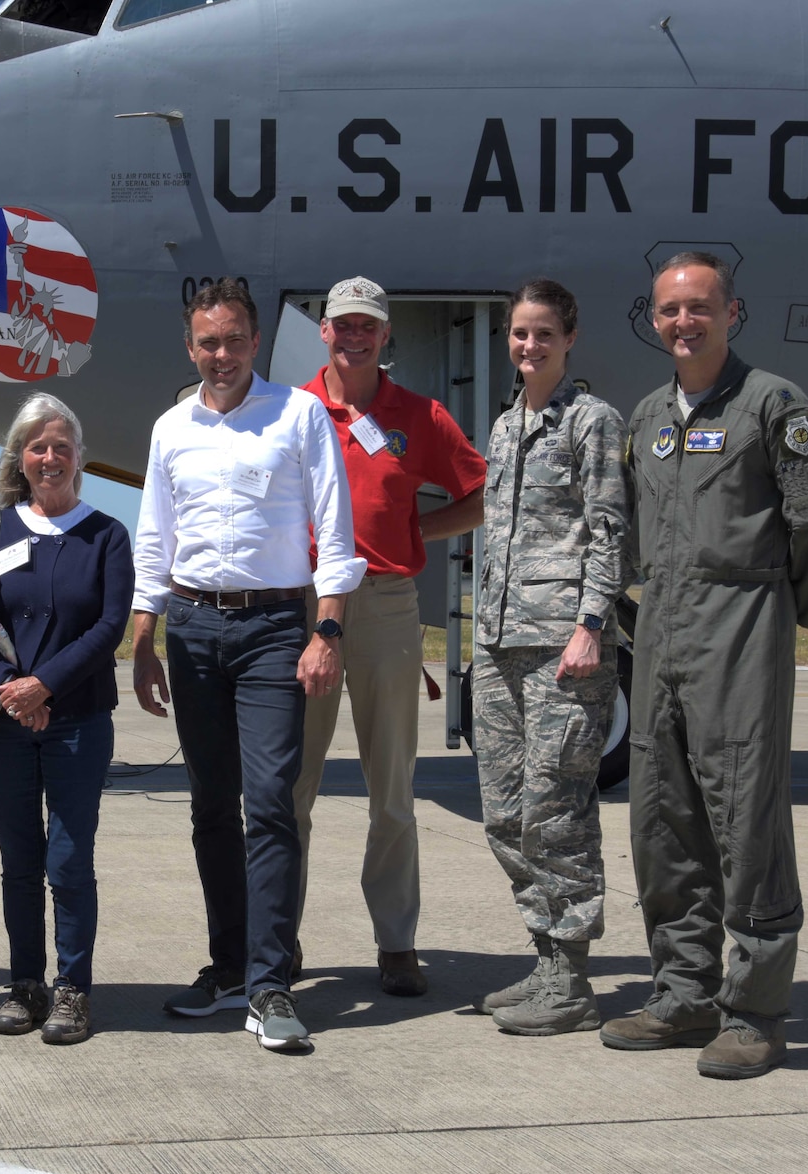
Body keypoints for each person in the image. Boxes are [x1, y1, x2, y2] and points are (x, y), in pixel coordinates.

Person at [604, 251, 808, 1078]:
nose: (684, 322)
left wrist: (774, 604)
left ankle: (754, 1010)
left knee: (747, 818)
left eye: (699, 307)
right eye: (670, 310)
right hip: (663, 635)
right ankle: (683, 992)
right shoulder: (647, 416)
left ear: (731, 313)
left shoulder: (770, 406)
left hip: (741, 628)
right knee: (662, 815)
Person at [131, 280, 365, 1053]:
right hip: (193, 629)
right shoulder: (170, 428)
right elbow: (155, 540)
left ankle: (270, 984)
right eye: (208, 343)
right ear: (190, 346)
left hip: (273, 628)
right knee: (209, 805)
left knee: (268, 802)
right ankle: (228, 965)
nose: (221, 355)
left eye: (233, 340)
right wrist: (143, 636)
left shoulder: (298, 417)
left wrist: (325, 630)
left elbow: (335, 532)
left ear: (255, 342)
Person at [291, 276, 488, 999]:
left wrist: (418, 531)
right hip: (304, 606)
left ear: (384, 334)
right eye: (342, 323)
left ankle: (397, 941)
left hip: (386, 604)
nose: (354, 335)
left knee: (393, 789)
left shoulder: (419, 416)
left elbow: (479, 492)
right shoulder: (293, 410)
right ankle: (280, 935)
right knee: (292, 787)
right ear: (324, 331)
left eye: (367, 325)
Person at [470, 279, 628, 1036]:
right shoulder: (505, 427)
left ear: (569, 338)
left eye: (542, 333)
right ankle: (544, 959)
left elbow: (609, 530)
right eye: (518, 333)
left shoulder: (591, 422)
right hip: (501, 645)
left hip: (564, 648)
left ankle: (572, 977)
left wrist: (592, 622)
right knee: (504, 813)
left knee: (556, 812)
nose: (528, 345)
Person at [0, 393, 133, 1046]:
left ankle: (73, 989)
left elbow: (109, 624)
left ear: (79, 458)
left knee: (68, 858)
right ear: (21, 458)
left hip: (78, 717)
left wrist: (45, 686)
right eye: (38, 446)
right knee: (19, 861)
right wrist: (11, 689)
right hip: (8, 721)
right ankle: (24, 983)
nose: (50, 456)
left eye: (62, 445)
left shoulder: (106, 534)